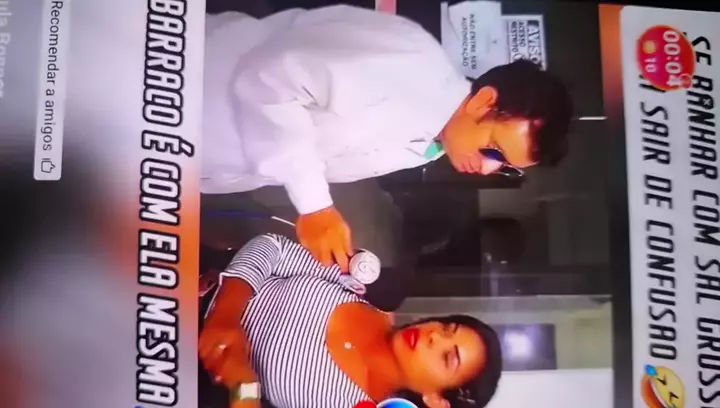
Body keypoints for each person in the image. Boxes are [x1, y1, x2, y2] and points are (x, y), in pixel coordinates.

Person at [202, 5, 574, 271]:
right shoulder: (409, 61)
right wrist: (314, 205)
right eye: (494, 150)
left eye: (504, 167)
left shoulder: (429, 146)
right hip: (186, 87)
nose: (488, 169)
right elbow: (269, 77)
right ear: (484, 102)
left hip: (193, 156)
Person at [199, 234, 502, 408]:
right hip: (188, 273)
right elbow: (273, 248)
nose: (434, 336)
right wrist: (225, 314)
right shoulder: (369, 293)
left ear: (437, 400)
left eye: (447, 357)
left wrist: (243, 387)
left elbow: (245, 398)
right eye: (447, 328)